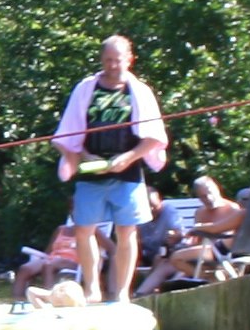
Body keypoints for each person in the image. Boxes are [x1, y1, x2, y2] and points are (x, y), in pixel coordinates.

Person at [50, 33, 168, 304]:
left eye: (118, 60)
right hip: (92, 169)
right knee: (84, 228)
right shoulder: (86, 89)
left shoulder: (139, 91)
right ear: (101, 60)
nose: (113, 66)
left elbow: (154, 137)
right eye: (108, 60)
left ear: (129, 60)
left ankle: (122, 293)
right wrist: (85, 156)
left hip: (127, 170)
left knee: (127, 231)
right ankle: (92, 288)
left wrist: (129, 156)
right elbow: (67, 135)